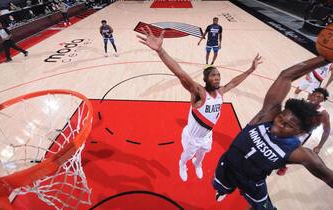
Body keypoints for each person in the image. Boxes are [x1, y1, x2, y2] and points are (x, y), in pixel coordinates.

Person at [136, 26, 262, 182]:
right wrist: (161, 51)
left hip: (207, 135)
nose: (217, 78)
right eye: (213, 75)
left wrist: (250, 69)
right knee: (186, 155)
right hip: (192, 137)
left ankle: (198, 163)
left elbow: (234, 82)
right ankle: (183, 164)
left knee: (203, 153)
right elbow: (180, 73)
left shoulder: (220, 93)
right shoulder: (199, 93)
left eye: (218, 75)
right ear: (206, 79)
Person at [212, 55, 333, 210]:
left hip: (253, 183)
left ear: (300, 132)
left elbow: (328, 176)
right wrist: (326, 58)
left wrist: (319, 146)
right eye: (280, 117)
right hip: (227, 165)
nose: (279, 124)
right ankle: (223, 190)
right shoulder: (265, 117)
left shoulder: (298, 152)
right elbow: (285, 76)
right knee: (221, 186)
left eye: (287, 125)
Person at [277, 87, 330, 175]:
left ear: (323, 100)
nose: (316, 98)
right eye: (314, 95)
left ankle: (284, 166)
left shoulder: (323, 113)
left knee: (291, 151)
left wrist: (319, 146)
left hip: (303, 134)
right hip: (291, 128)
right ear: (310, 96)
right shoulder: (302, 104)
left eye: (319, 97)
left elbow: (327, 131)